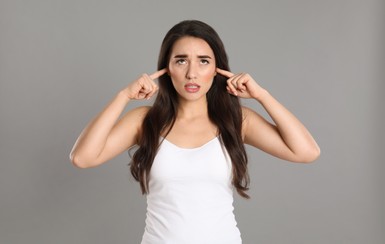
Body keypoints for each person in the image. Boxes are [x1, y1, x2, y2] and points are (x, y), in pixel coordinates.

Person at [70, 20, 320, 244]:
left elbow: (306, 151)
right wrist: (123, 96)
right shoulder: (146, 120)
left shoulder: (236, 120)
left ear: (217, 69)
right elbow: (82, 157)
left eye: (203, 61)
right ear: (166, 69)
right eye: (181, 60)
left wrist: (262, 95)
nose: (192, 73)